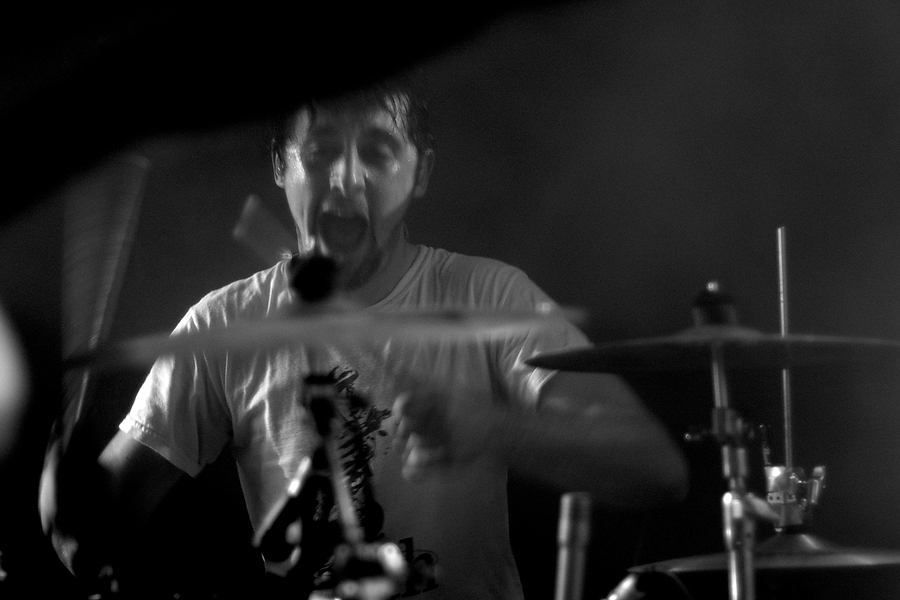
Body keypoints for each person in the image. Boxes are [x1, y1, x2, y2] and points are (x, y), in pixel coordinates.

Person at [40, 70, 689, 600]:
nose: (346, 178)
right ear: (280, 165)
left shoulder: (490, 298)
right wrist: (63, 492)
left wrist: (490, 427)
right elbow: (95, 536)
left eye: (378, 152)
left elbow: (654, 469)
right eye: (320, 151)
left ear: (421, 172)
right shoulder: (223, 326)